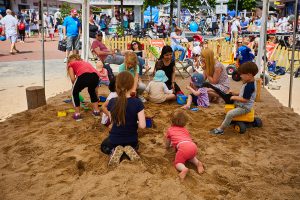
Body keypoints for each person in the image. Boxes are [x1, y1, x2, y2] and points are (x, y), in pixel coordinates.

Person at [100, 71, 146, 167]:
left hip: (114, 140)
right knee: (135, 145)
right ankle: (129, 151)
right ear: (132, 85)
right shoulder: (138, 102)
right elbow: (142, 126)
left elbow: (112, 123)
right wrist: (133, 123)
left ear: (117, 85)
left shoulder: (112, 102)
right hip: (132, 141)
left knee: (104, 146)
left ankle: (114, 151)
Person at [210, 62, 258, 135]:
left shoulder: (249, 86)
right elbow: (244, 94)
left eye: (242, 74)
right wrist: (235, 94)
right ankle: (228, 120)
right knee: (227, 101)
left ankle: (221, 129)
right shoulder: (249, 82)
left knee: (229, 114)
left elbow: (246, 99)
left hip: (244, 107)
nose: (240, 76)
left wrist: (234, 97)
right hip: (243, 104)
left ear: (249, 75)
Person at [165, 110, 204, 180]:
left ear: (172, 121)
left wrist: (167, 146)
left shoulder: (170, 130)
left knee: (178, 163)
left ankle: (184, 169)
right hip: (193, 146)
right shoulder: (185, 130)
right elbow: (185, 138)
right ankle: (198, 163)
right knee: (191, 157)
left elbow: (168, 141)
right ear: (185, 123)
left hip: (183, 147)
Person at [66, 54, 101, 121]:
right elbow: (95, 74)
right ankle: (96, 111)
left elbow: (73, 79)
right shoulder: (85, 63)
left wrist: (77, 87)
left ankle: (77, 114)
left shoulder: (71, 64)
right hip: (95, 76)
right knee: (92, 91)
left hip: (84, 75)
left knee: (74, 93)